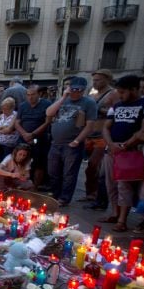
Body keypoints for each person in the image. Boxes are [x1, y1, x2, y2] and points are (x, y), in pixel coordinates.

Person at [101, 75, 144, 232]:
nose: (120, 95)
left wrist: (125, 146)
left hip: (131, 153)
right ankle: (114, 213)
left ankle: (123, 220)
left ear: (134, 89)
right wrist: (111, 144)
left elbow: (143, 130)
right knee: (111, 184)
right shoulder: (116, 106)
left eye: (123, 92)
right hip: (112, 150)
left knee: (125, 185)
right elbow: (106, 127)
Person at [45, 76, 97, 207]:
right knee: (53, 171)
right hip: (55, 143)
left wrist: (77, 140)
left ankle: (64, 198)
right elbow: (49, 112)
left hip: (72, 144)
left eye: (79, 90)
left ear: (83, 90)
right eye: (73, 89)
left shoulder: (88, 103)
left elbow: (90, 125)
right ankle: (55, 195)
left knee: (69, 173)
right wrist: (63, 98)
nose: (75, 92)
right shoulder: (63, 100)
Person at [81, 69, 118, 207]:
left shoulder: (113, 94)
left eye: (98, 80)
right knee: (89, 168)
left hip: (102, 136)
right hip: (90, 134)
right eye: (94, 80)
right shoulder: (93, 92)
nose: (95, 82)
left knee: (95, 165)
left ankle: (98, 197)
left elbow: (116, 112)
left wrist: (98, 110)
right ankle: (89, 193)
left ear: (107, 79)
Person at [15, 85, 51, 190]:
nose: (30, 97)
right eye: (28, 95)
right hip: (24, 137)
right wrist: (25, 134)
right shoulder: (22, 106)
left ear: (38, 94)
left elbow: (47, 122)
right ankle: (21, 182)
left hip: (38, 138)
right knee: (21, 160)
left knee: (39, 162)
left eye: (33, 94)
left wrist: (32, 134)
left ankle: (35, 186)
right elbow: (17, 122)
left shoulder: (46, 104)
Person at [0, 97, 19, 164]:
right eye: (2, 109)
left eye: (6, 109)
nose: (3, 111)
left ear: (12, 108)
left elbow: (8, 130)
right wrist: (2, 127)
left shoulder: (15, 115)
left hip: (8, 144)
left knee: (6, 163)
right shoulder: (1, 115)